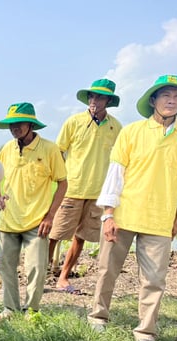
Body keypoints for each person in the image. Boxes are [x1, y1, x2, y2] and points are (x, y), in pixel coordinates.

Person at [88, 75, 177, 341]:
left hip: (160, 217)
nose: (171, 100)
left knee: (155, 279)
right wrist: (108, 215)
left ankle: (146, 332)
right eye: (165, 95)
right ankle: (98, 316)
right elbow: (115, 174)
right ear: (153, 100)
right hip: (124, 213)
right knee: (108, 269)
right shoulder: (132, 132)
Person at [0, 102, 67, 320]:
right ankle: (10, 308)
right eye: (11, 124)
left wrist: (51, 216)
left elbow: (63, 183)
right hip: (9, 220)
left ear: (31, 124)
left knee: (36, 268)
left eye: (19, 123)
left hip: (36, 220)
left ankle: (31, 310)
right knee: (6, 267)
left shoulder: (49, 149)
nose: (14, 127)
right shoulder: (8, 148)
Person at [49, 79, 123, 293]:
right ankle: (42, 273)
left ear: (108, 100)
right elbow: (58, 152)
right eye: (91, 96)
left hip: (99, 193)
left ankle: (63, 277)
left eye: (99, 97)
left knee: (81, 237)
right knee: (55, 233)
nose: (94, 100)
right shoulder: (74, 122)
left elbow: (119, 160)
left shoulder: (115, 127)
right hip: (72, 189)